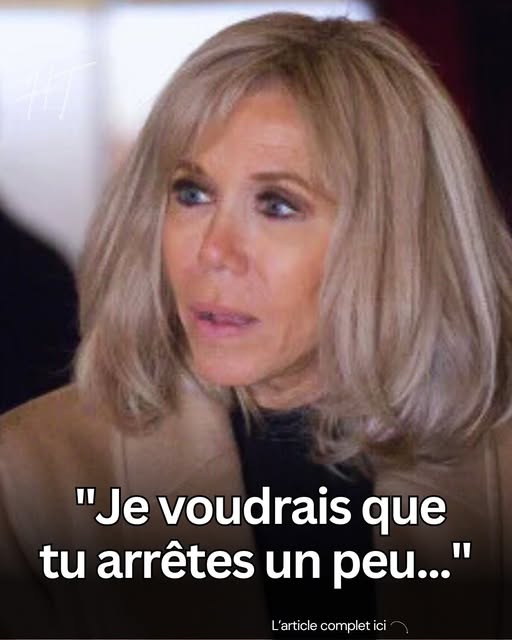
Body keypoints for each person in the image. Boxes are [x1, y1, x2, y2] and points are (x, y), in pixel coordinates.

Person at [1, 11, 512, 639]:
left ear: (395, 239)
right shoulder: (28, 478)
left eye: (277, 205)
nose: (212, 251)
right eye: (192, 194)